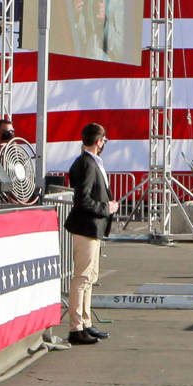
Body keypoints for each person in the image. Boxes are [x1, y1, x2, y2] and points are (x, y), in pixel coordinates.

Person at [63, 122, 118, 345]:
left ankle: (85, 322)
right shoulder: (86, 164)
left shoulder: (89, 162)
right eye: (103, 140)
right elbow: (82, 199)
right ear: (99, 141)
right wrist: (106, 208)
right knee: (83, 277)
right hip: (86, 226)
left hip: (92, 228)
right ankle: (76, 327)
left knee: (90, 277)